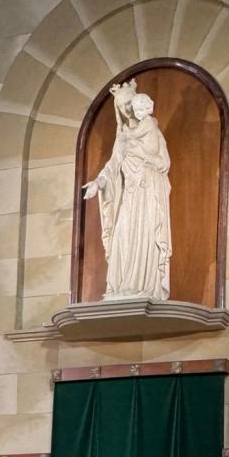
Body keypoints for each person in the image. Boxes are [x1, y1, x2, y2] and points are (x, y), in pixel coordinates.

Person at [82, 79, 172, 302]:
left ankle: (146, 287)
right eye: (122, 106)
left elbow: (163, 163)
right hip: (130, 196)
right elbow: (112, 165)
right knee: (123, 236)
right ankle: (124, 287)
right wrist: (98, 183)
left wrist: (144, 159)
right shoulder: (122, 137)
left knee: (146, 234)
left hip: (148, 193)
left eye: (130, 103)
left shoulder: (152, 129)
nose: (127, 109)